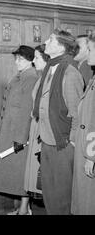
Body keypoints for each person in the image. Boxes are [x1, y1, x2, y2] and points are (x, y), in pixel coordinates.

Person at [32, 29, 84, 215]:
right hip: (47, 141)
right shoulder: (50, 68)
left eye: (51, 39)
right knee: (49, 193)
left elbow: (78, 115)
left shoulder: (70, 73)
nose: (46, 41)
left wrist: (71, 142)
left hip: (62, 144)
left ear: (61, 46)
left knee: (62, 197)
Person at [0, 45, 38, 215]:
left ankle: (25, 209)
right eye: (16, 58)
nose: (17, 62)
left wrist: (20, 138)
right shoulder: (19, 76)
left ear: (31, 60)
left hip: (19, 136)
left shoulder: (31, 77)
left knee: (22, 174)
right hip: (11, 131)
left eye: (22, 59)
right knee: (15, 174)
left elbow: (27, 110)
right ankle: (19, 208)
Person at [72, 33, 95, 214]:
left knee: (88, 201)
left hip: (91, 150)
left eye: (91, 48)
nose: (88, 52)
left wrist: (91, 156)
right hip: (85, 145)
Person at [24, 44, 50, 201]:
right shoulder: (42, 77)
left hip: (43, 130)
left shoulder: (49, 78)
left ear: (47, 59)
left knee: (41, 174)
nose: (33, 61)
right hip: (36, 127)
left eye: (37, 57)